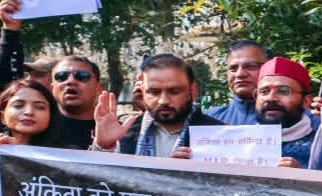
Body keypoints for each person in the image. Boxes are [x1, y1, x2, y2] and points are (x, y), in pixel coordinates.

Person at [92, 54, 224, 157]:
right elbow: (98, 185)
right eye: (154, 92)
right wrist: (103, 146)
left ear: (192, 91)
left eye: (174, 91)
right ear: (142, 91)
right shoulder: (125, 134)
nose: (163, 101)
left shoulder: (220, 135)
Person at [256, 57, 317, 168]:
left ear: (305, 101)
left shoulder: (321, 147)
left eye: (283, 91)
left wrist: (302, 178)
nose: (271, 98)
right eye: (264, 92)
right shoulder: (239, 143)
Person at [208, 40, 271, 125]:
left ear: (268, 69)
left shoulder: (285, 118)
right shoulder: (210, 119)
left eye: (251, 66)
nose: (240, 74)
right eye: (233, 68)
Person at [51, 56, 103, 149]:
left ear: (98, 88)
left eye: (82, 76)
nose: (70, 81)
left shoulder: (118, 132)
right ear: (52, 88)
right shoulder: (37, 128)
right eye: (61, 76)